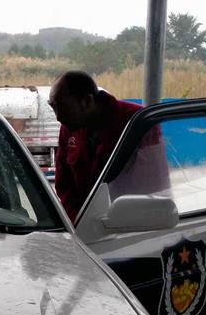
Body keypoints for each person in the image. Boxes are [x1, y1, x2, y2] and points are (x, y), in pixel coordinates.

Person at [49, 71, 142, 221]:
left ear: (87, 101)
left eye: (62, 107)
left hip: (131, 222)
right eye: (53, 107)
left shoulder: (136, 121)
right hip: (86, 223)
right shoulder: (69, 127)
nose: (58, 117)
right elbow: (64, 184)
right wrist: (79, 221)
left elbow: (154, 182)